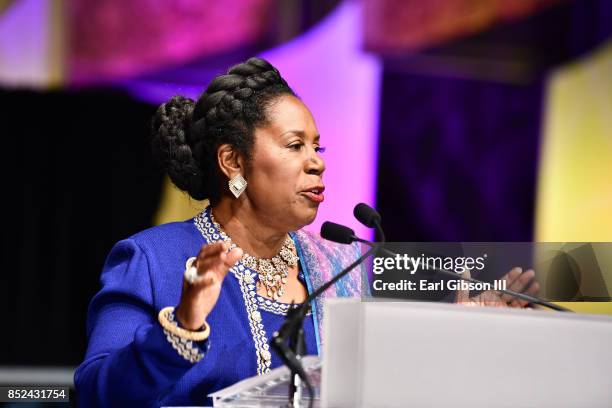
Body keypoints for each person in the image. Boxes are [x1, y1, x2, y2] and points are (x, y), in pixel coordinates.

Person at [74, 57, 538, 407]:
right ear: (233, 161)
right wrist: (186, 324)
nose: (317, 161)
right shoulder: (153, 258)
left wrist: (461, 330)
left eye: (317, 146)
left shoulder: (338, 264)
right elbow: (96, 393)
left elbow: (379, 380)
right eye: (295, 145)